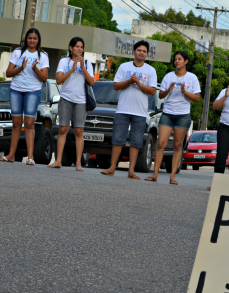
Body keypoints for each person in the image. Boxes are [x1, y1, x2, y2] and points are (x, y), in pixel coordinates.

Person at [100, 40, 157, 179]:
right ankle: (112, 167)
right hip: (123, 110)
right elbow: (116, 86)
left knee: (136, 142)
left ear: (146, 54)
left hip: (140, 112)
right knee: (117, 139)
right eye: (139, 50)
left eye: (144, 51)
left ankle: (131, 171)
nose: (141, 53)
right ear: (134, 51)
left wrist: (138, 83)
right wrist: (129, 81)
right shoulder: (124, 67)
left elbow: (152, 91)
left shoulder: (150, 70)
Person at [145, 51, 200, 185]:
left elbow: (197, 98)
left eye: (179, 59)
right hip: (168, 114)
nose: (176, 61)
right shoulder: (169, 76)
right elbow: (161, 95)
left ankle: (173, 176)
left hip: (182, 116)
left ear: (186, 61)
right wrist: (169, 89)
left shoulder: (192, 78)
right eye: (175, 59)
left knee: (177, 145)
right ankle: (155, 174)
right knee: (161, 143)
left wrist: (185, 92)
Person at [0, 28, 49, 165]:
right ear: (26, 39)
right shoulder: (18, 52)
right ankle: (11, 155)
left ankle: (30, 157)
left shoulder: (43, 55)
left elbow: (44, 78)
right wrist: (21, 68)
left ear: (38, 40)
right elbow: (8, 73)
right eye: (29, 38)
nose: (32, 40)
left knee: (29, 124)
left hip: (33, 90)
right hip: (16, 90)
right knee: (16, 124)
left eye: (35, 38)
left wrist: (35, 68)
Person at [48, 36, 93, 170]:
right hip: (66, 98)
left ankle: (78, 163)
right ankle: (58, 161)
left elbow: (91, 82)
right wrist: (72, 69)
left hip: (81, 100)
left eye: (81, 47)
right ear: (71, 48)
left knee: (79, 131)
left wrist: (83, 68)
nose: (79, 49)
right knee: (63, 129)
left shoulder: (88, 63)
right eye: (77, 46)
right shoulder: (64, 61)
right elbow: (58, 80)